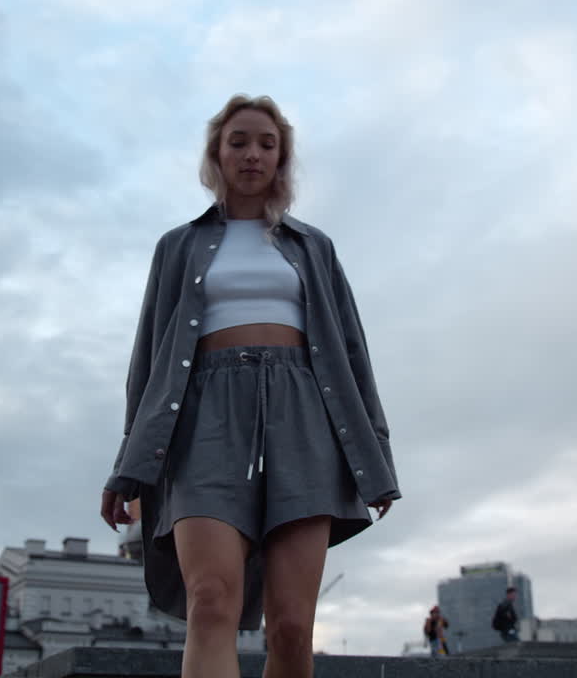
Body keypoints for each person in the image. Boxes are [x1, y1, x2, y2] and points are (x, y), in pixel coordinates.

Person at [99, 94, 400, 678]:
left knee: (291, 627)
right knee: (211, 599)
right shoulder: (178, 246)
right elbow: (149, 360)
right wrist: (127, 463)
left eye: (267, 144)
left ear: (281, 158)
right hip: (203, 417)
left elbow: (352, 354)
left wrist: (376, 456)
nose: (252, 154)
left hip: (304, 414)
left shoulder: (314, 247)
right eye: (238, 142)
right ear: (217, 154)